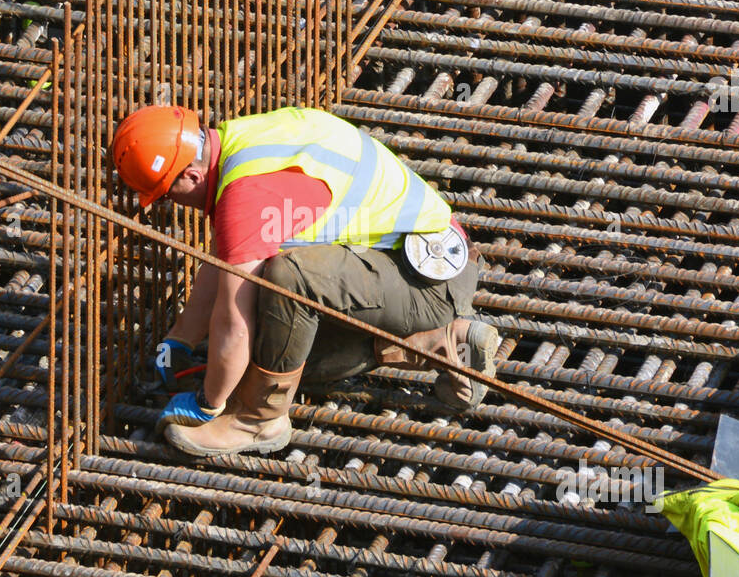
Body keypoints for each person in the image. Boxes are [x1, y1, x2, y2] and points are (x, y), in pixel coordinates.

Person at [110, 104, 500, 459]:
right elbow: (228, 259)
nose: (168, 205)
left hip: (426, 285)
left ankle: (258, 421)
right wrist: (181, 338)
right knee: (272, 348)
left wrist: (208, 403)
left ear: (192, 175)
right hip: (423, 260)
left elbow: (234, 324)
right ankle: (442, 345)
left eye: (164, 196)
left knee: (285, 302)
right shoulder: (241, 138)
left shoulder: (244, 194)